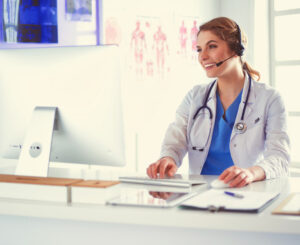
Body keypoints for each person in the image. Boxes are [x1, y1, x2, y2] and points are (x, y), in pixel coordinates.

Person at [147, 17, 290, 188]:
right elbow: (175, 139)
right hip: (199, 193)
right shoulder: (195, 97)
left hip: (247, 192)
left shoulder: (270, 99)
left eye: (212, 46)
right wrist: (168, 158)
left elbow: (279, 157)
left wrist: (251, 172)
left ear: (237, 48)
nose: (203, 56)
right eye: (199, 50)